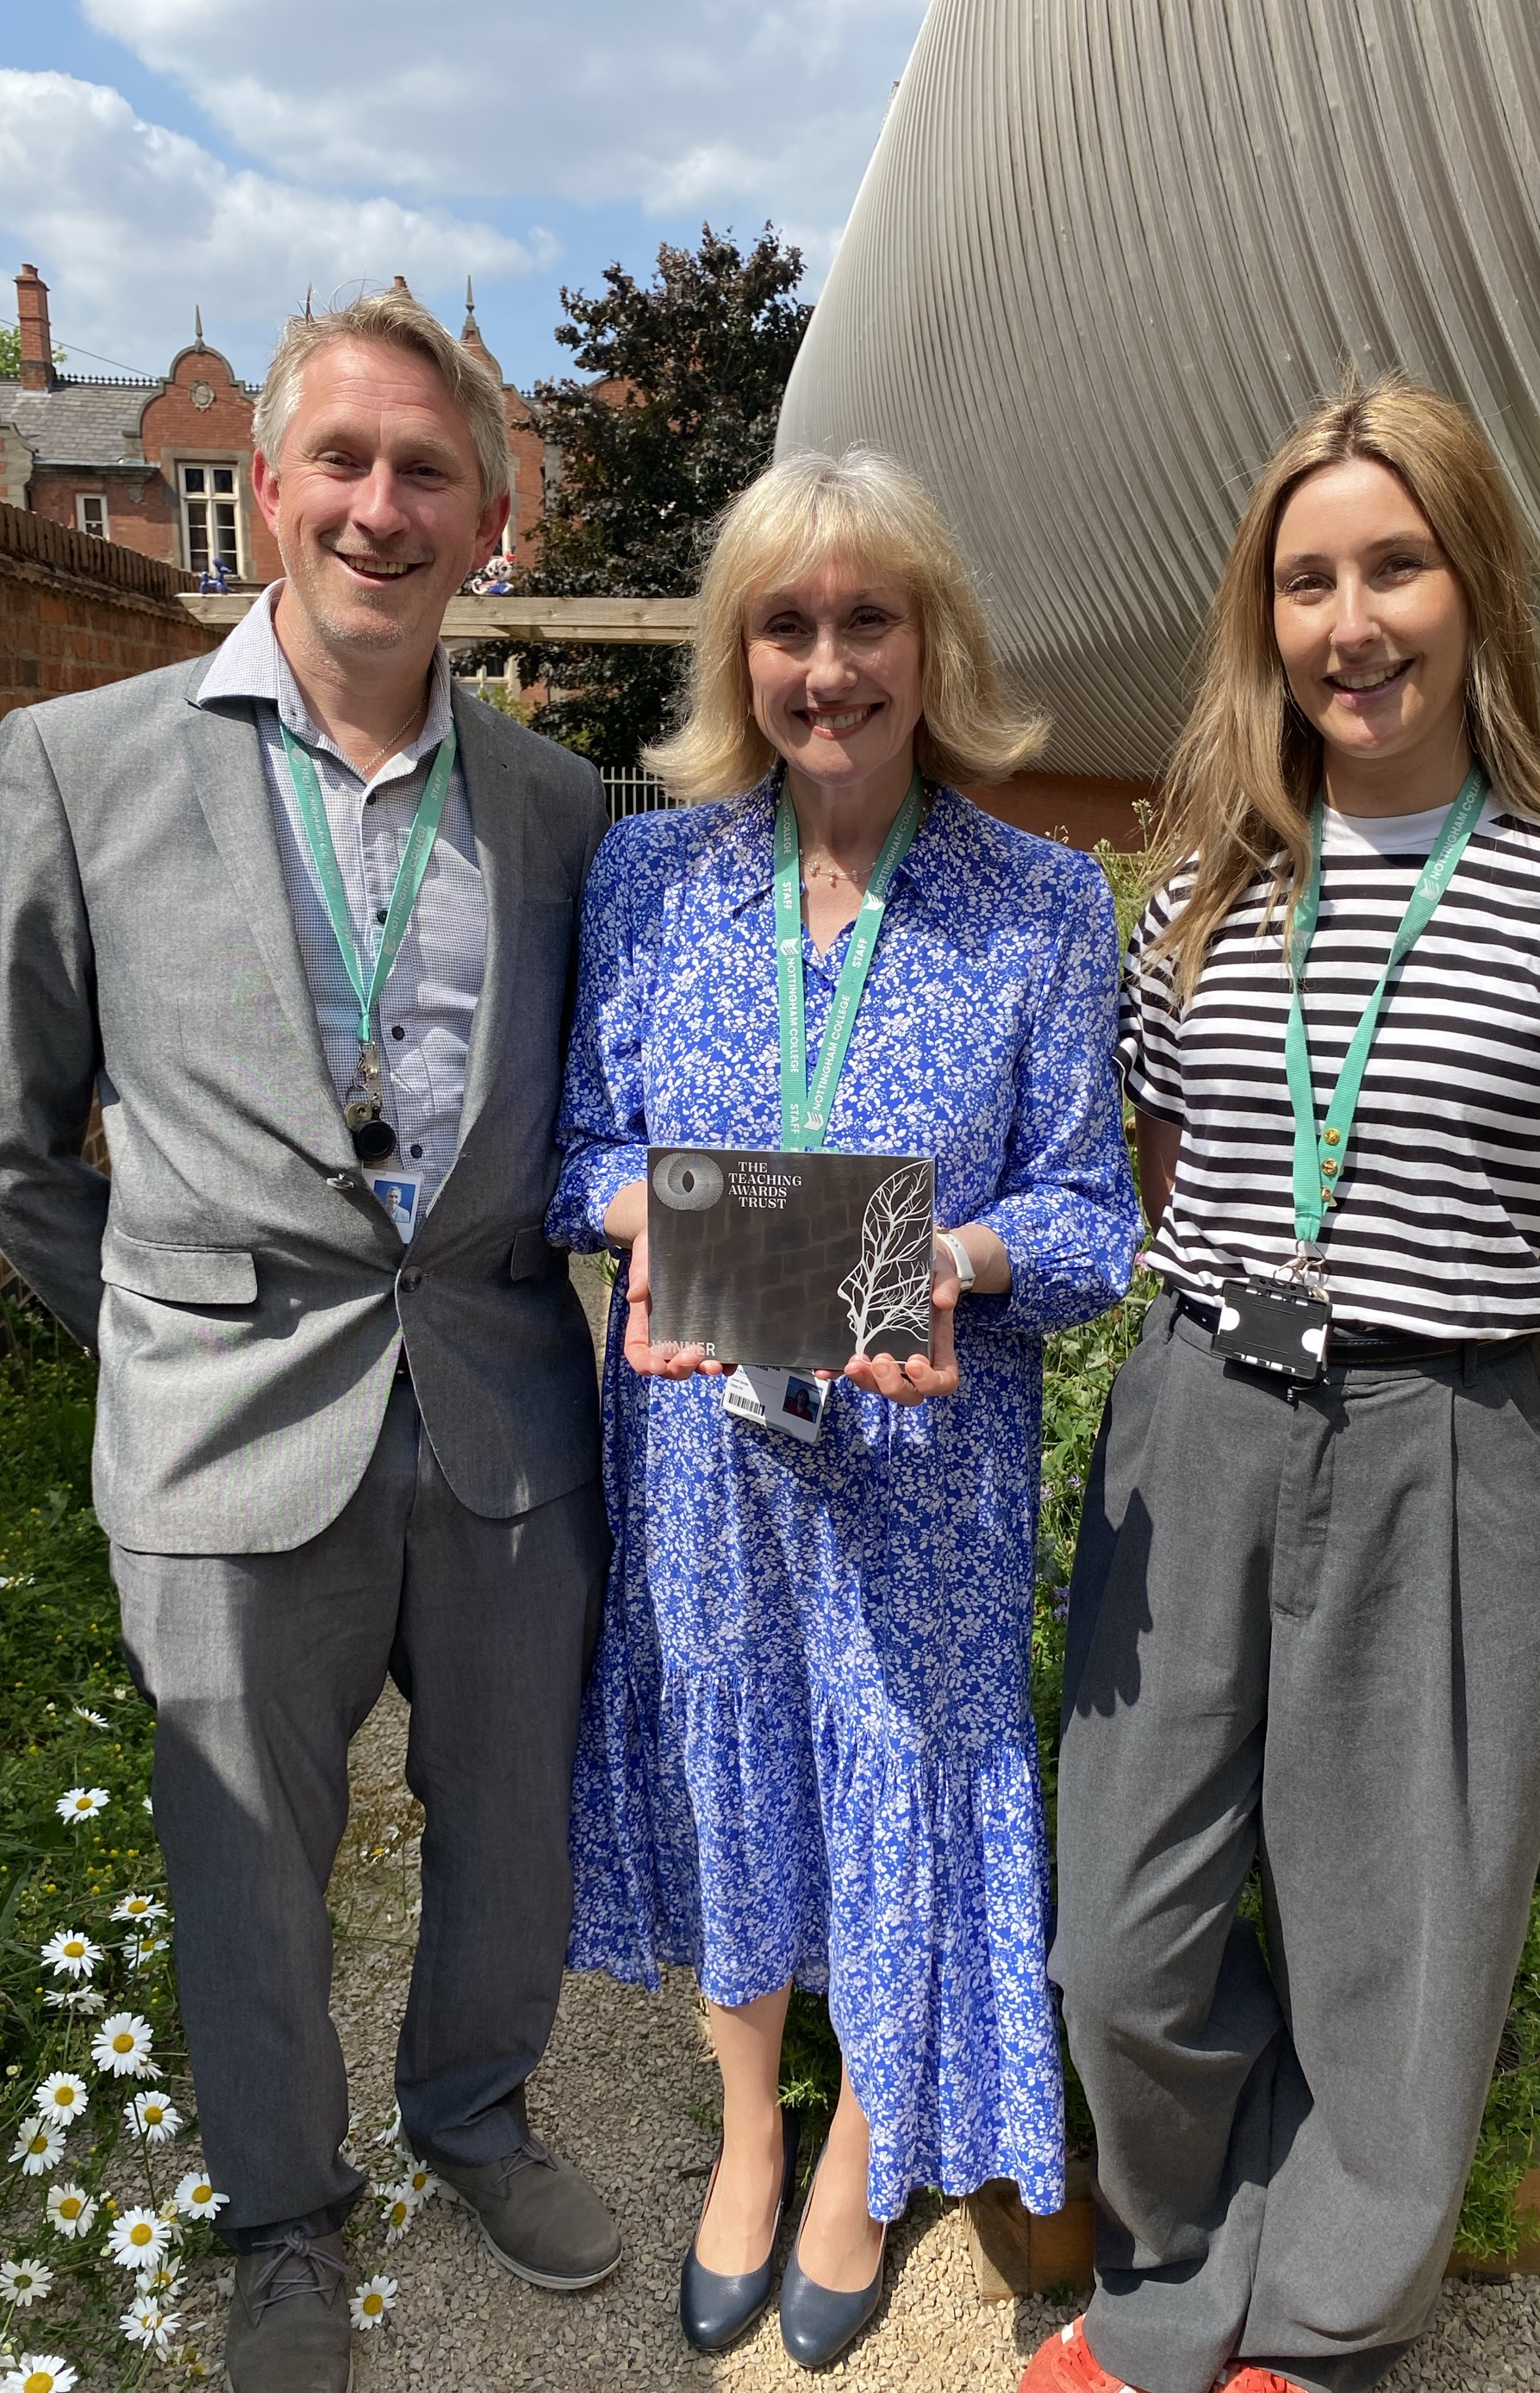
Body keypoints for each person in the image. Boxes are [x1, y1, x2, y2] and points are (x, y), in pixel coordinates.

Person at [0, 289, 619, 2393]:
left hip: (504, 1407)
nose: (379, 507)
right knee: (243, 1854)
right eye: (342, 459)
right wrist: (164, 1327)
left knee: (511, 1820)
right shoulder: (83, 765)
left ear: (489, 522)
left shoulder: (560, 804)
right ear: (264, 485)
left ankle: (475, 2111)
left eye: (429, 471)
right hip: (222, 1430)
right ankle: (281, 2219)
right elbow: (1, 1137)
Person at [1023, 378, 1540, 2393]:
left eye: (1395, 565)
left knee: (1394, 1925)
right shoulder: (1202, 899)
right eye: (1307, 578)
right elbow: (1174, 1169)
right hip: (1196, 1416)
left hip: (1442, 1427)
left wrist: (1469, 1424)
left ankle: (1323, 2320)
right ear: (1264, 619)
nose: (1352, 622)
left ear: (1474, 581)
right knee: (1122, 1930)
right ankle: (1182, 2262)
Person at [548, 448, 1141, 2370]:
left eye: (867, 618)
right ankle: (747, 2130)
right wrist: (662, 1231)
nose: (828, 665)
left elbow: (1092, 1214)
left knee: (908, 1781)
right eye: (786, 624)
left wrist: (949, 1258)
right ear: (740, 655)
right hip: (706, 1447)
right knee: (729, 1766)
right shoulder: (652, 878)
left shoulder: (1040, 903)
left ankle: (863, 2153)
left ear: (931, 640)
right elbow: (584, 1152)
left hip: (921, 1458)